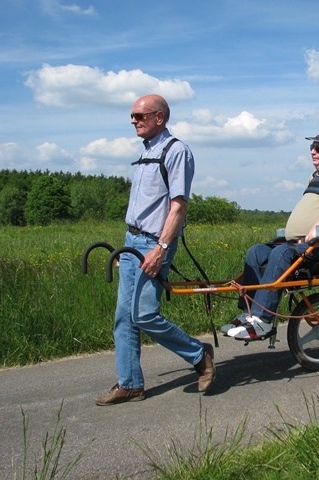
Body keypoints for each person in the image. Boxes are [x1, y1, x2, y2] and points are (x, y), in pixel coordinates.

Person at [95, 94, 215, 406]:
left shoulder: (176, 151)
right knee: (124, 316)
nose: (133, 121)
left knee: (144, 314)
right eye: (132, 116)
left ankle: (198, 354)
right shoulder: (147, 151)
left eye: (139, 116)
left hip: (153, 243)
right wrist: (126, 248)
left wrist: (160, 248)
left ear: (159, 117)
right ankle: (130, 384)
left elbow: (178, 206)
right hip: (133, 241)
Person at [221, 130, 319, 340]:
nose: (313, 152)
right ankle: (249, 312)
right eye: (311, 148)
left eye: (318, 148)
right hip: (298, 244)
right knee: (256, 252)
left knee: (280, 253)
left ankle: (263, 320)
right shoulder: (315, 177)